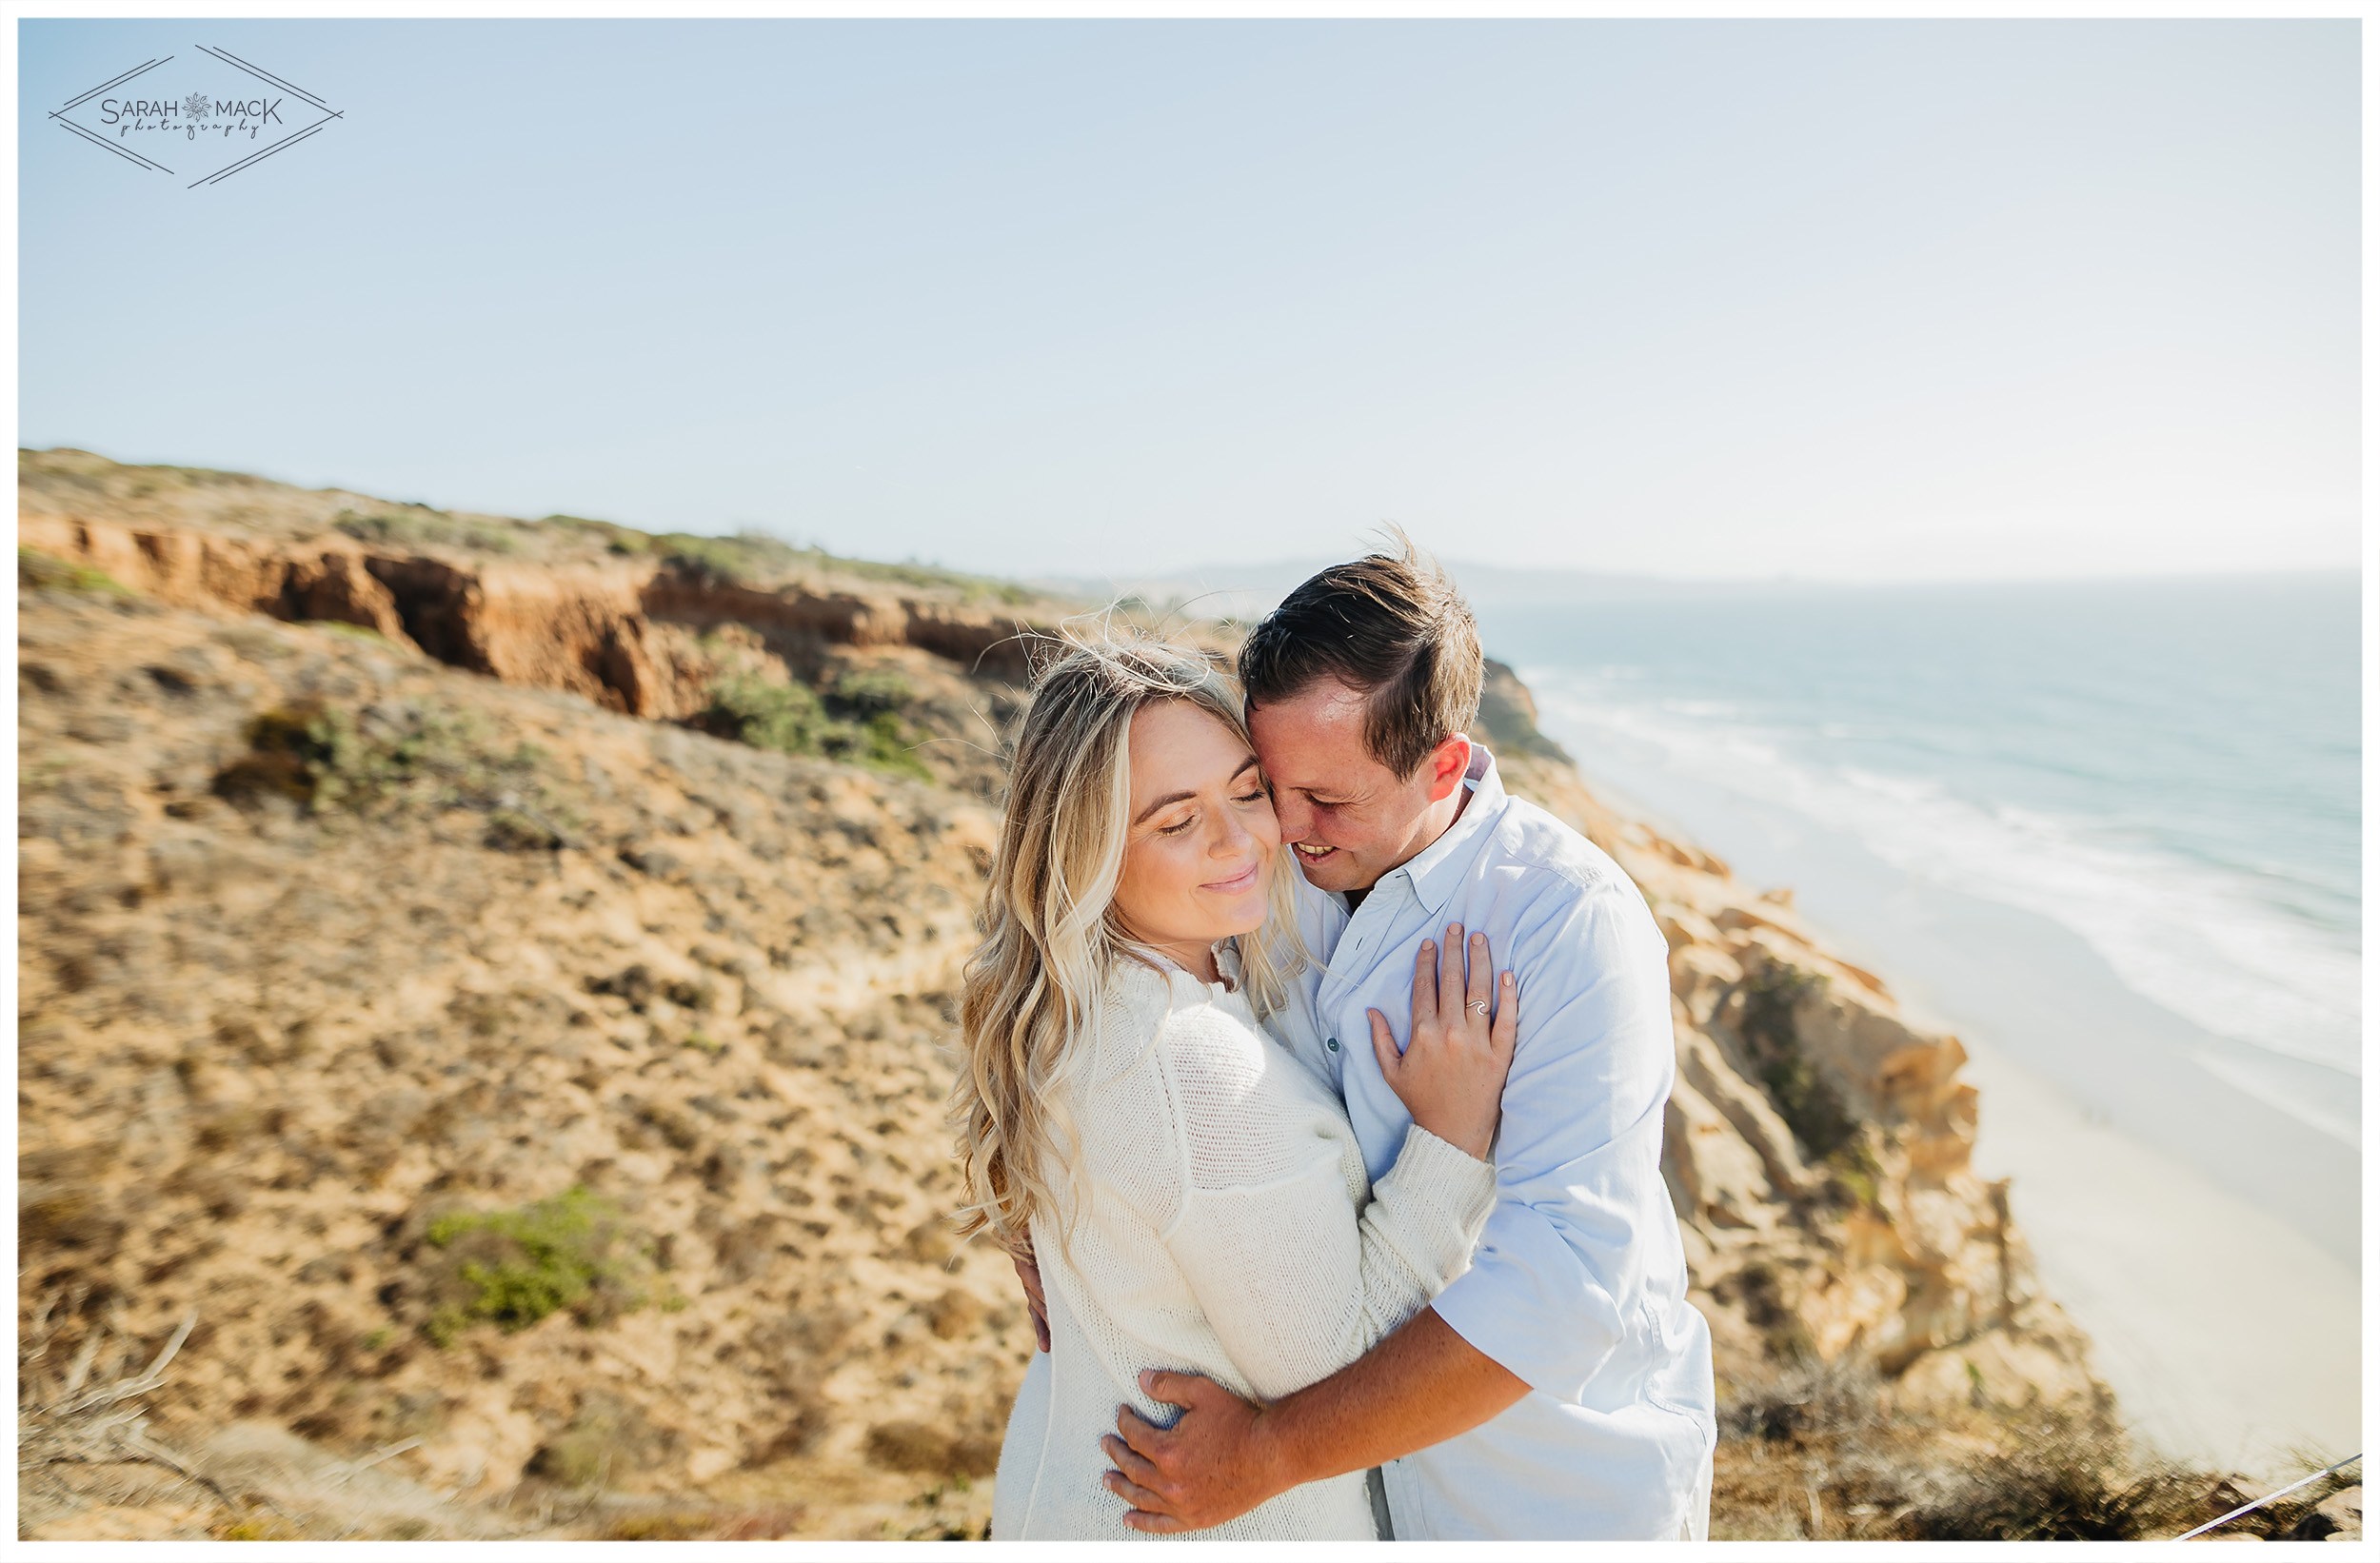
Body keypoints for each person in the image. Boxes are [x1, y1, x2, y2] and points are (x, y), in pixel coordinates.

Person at [1086, 538, 1718, 1540]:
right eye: (1266, 784)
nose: (1283, 830)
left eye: (1328, 799)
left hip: (1546, 1499)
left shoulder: (1564, 922)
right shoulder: (1267, 866)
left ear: (1445, 765)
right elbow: (1079, 952)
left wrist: (1271, 1451)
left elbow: (1564, 1285)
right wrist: (1045, 1213)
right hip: (1348, 1510)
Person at [950, 632, 1525, 1540]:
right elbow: (1337, 1371)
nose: (1241, 840)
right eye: (1176, 821)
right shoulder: (1188, 1064)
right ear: (1085, 848)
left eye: (1248, 791)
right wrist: (1451, 1145)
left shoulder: (1083, 1003)